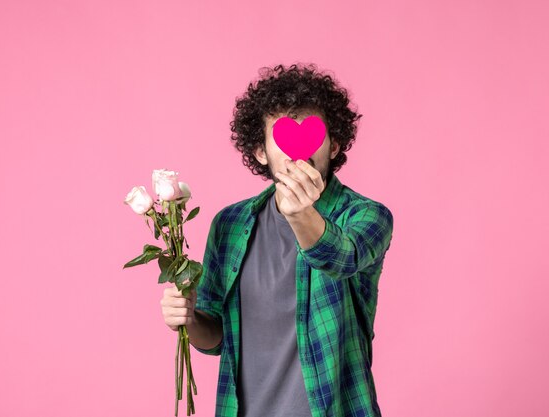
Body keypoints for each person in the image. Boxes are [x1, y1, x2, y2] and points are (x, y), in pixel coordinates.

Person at [161, 63, 394, 417]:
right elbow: (217, 339)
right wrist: (189, 319)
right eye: (283, 138)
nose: (298, 152)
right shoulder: (229, 225)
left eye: (312, 136)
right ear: (260, 152)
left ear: (333, 146)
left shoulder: (366, 216)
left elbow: (341, 258)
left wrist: (299, 213)